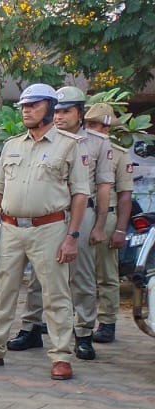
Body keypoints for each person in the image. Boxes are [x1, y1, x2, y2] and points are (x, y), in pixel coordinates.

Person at [0, 84, 90, 381]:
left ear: (49, 107)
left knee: (55, 294)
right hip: (10, 228)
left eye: (33, 105)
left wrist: (72, 237)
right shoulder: (11, 145)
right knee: (3, 291)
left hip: (50, 228)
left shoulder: (69, 145)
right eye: (24, 106)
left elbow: (80, 195)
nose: (26, 111)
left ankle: (61, 356)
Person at [9, 87, 114, 360]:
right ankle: (31, 327)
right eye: (56, 111)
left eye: (66, 111)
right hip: (47, 215)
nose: (59, 116)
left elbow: (103, 186)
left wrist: (100, 224)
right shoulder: (42, 138)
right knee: (37, 276)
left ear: (80, 113)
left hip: (81, 213)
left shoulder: (97, 143)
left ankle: (83, 332)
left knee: (81, 274)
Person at [84, 103, 135, 343]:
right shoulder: (77, 148)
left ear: (107, 128)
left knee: (106, 274)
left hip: (108, 217)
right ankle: (77, 320)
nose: (93, 129)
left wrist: (120, 230)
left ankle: (107, 322)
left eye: (97, 125)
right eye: (89, 124)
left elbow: (125, 196)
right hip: (79, 215)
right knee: (76, 273)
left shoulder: (119, 155)